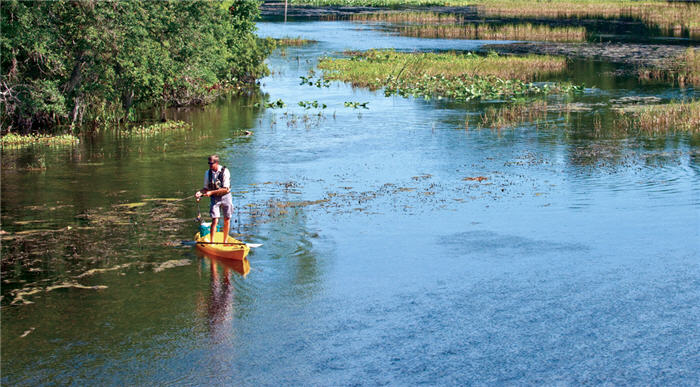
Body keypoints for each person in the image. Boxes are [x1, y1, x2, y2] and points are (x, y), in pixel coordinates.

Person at [195, 155, 233, 244]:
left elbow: (225, 189)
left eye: (211, 163)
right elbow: (205, 188)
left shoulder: (225, 172)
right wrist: (200, 192)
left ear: (217, 163)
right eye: (209, 163)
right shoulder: (207, 173)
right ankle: (212, 242)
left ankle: (225, 241)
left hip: (226, 196)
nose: (210, 165)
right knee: (215, 219)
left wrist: (211, 193)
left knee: (227, 219)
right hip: (215, 199)